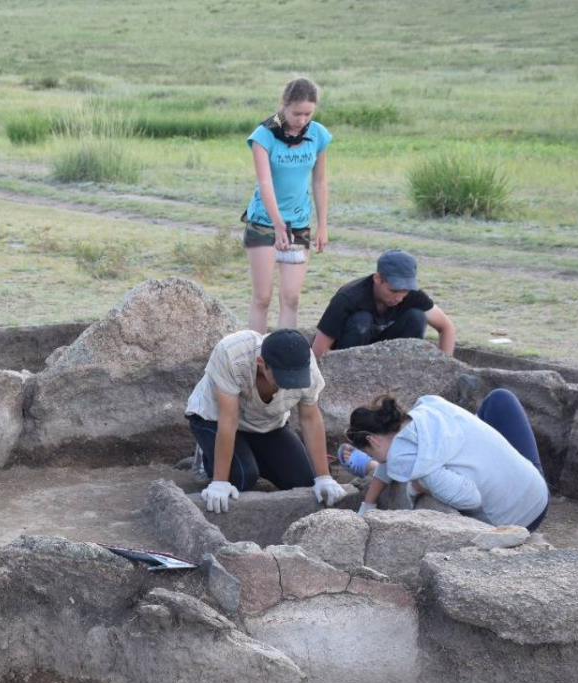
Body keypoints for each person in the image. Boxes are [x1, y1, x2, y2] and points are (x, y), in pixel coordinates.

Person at [186, 328, 348, 513]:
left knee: (305, 481)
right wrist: (220, 482)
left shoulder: (306, 364)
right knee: (240, 478)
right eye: (283, 378)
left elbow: (310, 419)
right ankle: (206, 456)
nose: (289, 384)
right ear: (262, 363)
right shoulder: (232, 352)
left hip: (265, 423)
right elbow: (229, 419)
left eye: (296, 379)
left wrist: (323, 477)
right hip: (213, 418)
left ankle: (247, 454)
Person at [347, 391, 549, 529]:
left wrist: (419, 487)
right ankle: (370, 466)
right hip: (531, 481)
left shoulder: (423, 467)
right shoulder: (424, 412)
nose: (381, 460)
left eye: (371, 454)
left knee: (430, 482)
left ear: (373, 440)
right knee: (500, 399)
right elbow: (389, 454)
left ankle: (368, 467)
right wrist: (368, 503)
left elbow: (470, 499)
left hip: (519, 518)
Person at [242, 76, 331, 334]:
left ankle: (283, 358)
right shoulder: (264, 135)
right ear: (283, 104)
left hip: (299, 223)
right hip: (264, 222)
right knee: (263, 297)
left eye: (308, 114)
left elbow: (320, 180)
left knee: (291, 297)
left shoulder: (318, 134)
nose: (302, 120)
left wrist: (322, 224)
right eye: (296, 113)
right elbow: (265, 183)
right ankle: (255, 355)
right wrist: (279, 225)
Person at [311, 250, 455, 358]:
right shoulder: (348, 298)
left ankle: (404, 371)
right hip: (347, 358)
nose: (399, 297)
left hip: (387, 360)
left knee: (417, 317)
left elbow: (446, 327)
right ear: (377, 278)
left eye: (405, 291)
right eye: (393, 290)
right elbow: (318, 351)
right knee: (361, 320)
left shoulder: (411, 294)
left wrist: (444, 366)